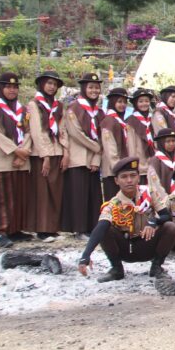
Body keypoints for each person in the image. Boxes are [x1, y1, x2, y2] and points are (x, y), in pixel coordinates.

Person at [77, 157, 175, 282]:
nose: (129, 180)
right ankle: (116, 269)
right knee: (105, 229)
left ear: (138, 177)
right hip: (126, 248)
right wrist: (85, 255)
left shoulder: (149, 193)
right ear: (116, 180)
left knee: (171, 227)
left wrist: (153, 222)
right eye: (124, 177)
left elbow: (166, 216)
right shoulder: (114, 203)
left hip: (148, 245)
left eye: (133, 176)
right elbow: (100, 227)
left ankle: (157, 266)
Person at [0, 71, 33, 247]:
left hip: (21, 161)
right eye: (8, 87)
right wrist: (16, 151)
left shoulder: (23, 110)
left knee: (19, 196)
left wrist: (24, 152)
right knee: (1, 197)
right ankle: (1, 232)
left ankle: (15, 229)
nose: (12, 90)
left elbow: (29, 132)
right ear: (1, 88)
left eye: (14, 87)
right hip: (2, 160)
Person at [62, 72, 104, 235]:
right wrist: (96, 148)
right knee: (78, 195)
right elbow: (75, 133)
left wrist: (96, 158)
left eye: (97, 87)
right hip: (78, 158)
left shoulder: (99, 112)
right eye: (91, 87)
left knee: (93, 196)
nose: (94, 91)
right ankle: (79, 229)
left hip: (94, 159)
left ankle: (93, 228)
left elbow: (102, 137)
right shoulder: (74, 108)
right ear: (84, 88)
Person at [26, 71, 66, 241]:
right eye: (49, 83)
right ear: (41, 84)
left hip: (57, 150)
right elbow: (37, 131)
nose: (51, 87)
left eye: (54, 84)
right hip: (41, 154)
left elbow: (62, 129)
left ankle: (52, 228)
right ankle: (42, 229)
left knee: (55, 191)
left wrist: (65, 151)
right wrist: (46, 156)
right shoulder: (34, 104)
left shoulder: (58, 106)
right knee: (42, 191)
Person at [100, 87, 131, 199]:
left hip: (122, 169)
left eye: (124, 102)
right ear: (113, 102)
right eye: (119, 102)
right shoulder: (109, 121)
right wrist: (118, 168)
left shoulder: (119, 121)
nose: (122, 105)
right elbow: (110, 149)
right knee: (114, 202)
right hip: (112, 171)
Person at [148, 128, 175, 196]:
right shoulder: (155, 160)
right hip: (164, 197)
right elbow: (155, 184)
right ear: (161, 143)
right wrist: (166, 198)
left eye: (173, 141)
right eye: (168, 141)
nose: (171, 144)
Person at [125, 88, 155, 182]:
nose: (144, 104)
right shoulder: (131, 120)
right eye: (141, 101)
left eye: (146, 101)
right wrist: (134, 164)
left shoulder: (152, 118)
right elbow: (131, 145)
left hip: (154, 163)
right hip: (140, 165)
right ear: (135, 103)